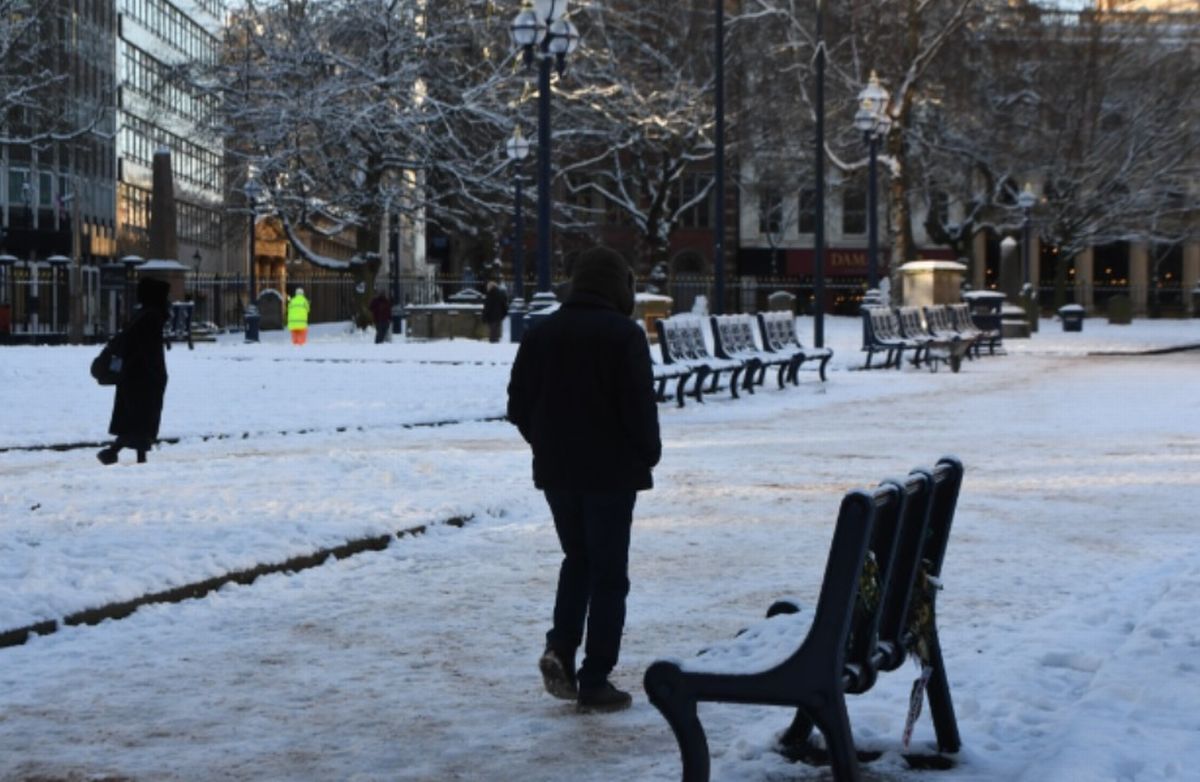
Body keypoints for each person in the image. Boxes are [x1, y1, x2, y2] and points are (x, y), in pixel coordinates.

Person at [506, 246, 662, 713]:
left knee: (577, 559)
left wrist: (546, 442)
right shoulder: (624, 335)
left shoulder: (543, 332)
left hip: (559, 472)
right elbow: (639, 407)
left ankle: (561, 648)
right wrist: (646, 454)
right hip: (612, 474)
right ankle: (595, 677)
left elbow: (518, 403)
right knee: (609, 575)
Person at [97, 278, 171, 466]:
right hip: (145, 376)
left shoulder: (145, 315)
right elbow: (144, 347)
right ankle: (122, 454)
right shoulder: (152, 316)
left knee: (137, 419)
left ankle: (127, 455)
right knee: (141, 420)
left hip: (137, 375)